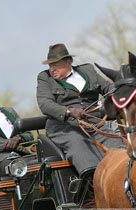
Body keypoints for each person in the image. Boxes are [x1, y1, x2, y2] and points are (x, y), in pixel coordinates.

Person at [36, 43, 123, 180]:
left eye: (56, 65)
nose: (52, 69)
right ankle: (90, 184)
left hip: (94, 125)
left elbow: (108, 88)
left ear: (68, 62)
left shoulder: (88, 70)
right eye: (50, 65)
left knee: (119, 146)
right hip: (64, 128)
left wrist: (123, 91)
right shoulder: (45, 78)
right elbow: (45, 104)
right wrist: (69, 111)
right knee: (80, 146)